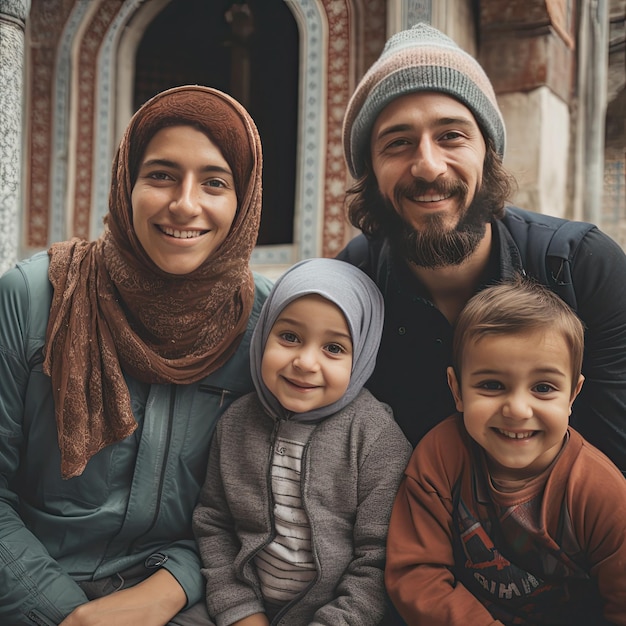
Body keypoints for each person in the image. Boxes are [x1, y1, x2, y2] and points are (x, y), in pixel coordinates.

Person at [0, 85, 272, 625]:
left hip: (182, 600)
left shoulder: (265, 325)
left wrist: (170, 589)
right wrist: (63, 613)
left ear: (243, 202)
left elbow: (257, 509)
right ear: (127, 182)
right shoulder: (35, 299)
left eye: (214, 182)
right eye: (161, 175)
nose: (184, 204)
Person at [336, 22, 626, 473]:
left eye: (451, 135)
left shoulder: (581, 268)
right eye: (398, 143)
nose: (428, 167)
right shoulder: (350, 290)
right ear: (370, 173)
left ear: (488, 152)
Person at [385, 278, 626, 625]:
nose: (517, 409)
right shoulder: (441, 456)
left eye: (543, 388)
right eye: (492, 385)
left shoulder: (599, 491)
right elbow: (416, 574)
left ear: (572, 396)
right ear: (457, 390)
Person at [192, 257, 412, 626]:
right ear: (264, 334)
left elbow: (378, 560)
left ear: (362, 358)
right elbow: (214, 525)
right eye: (290, 337)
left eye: (334, 348)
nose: (306, 362)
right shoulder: (235, 423)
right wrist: (240, 612)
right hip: (239, 611)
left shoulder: (376, 439)